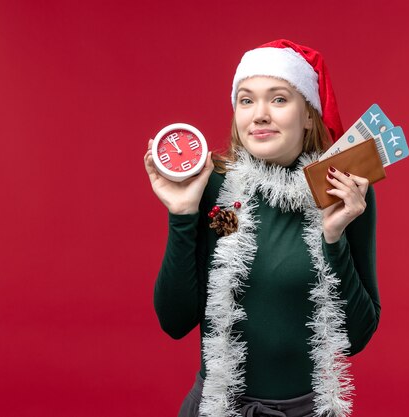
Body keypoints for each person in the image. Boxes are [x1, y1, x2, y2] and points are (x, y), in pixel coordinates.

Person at [144, 39, 381, 417]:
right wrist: (182, 215)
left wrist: (333, 240)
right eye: (246, 99)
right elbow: (174, 322)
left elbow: (356, 339)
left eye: (279, 99)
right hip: (216, 408)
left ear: (308, 113)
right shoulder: (213, 188)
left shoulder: (343, 190)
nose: (260, 115)